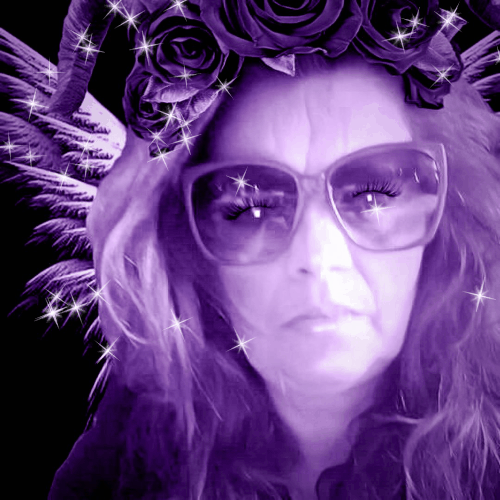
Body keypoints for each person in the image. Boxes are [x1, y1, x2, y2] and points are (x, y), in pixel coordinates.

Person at [2, 0, 499, 499]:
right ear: (185, 246)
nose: (319, 257)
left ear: (448, 215)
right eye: (253, 208)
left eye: (373, 195)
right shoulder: (125, 459)